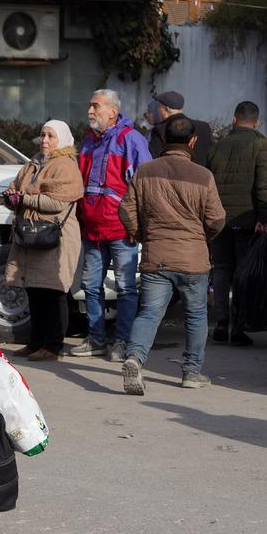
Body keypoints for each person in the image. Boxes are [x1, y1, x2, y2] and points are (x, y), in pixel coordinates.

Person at [119, 116, 226, 395]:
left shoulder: (145, 171)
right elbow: (216, 220)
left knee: (150, 312)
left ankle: (135, 357)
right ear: (193, 141)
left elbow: (125, 210)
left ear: (165, 139)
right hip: (193, 259)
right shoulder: (203, 176)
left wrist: (142, 234)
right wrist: (202, 238)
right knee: (196, 315)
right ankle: (191, 372)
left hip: (157, 255)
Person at [68, 88, 151, 362]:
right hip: (92, 229)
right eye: (90, 106)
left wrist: (137, 225)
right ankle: (96, 340)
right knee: (91, 286)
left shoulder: (131, 140)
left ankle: (123, 342)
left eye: (96, 106)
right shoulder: (89, 143)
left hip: (121, 230)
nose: (90, 111)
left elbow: (145, 184)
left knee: (126, 288)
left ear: (113, 112)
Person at [3, 120, 82, 360]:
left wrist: (24, 199)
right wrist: (11, 197)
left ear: (62, 140)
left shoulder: (66, 165)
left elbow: (58, 202)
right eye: (43, 135)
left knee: (53, 291)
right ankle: (36, 342)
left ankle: (53, 346)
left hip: (55, 236)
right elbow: (16, 188)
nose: (44, 140)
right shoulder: (33, 162)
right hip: (31, 234)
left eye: (50, 136)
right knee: (34, 289)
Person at [206, 100, 267, 346]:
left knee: (221, 269)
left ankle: (221, 322)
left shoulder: (217, 146)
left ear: (234, 120)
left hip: (219, 220)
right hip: (247, 219)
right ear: (257, 122)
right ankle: (239, 327)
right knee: (243, 273)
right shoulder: (262, 145)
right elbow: (264, 185)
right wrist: (265, 217)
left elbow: (207, 184)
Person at [148, 91, 213, 166]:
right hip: (201, 172)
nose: (158, 110)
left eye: (159, 107)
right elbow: (210, 155)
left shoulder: (160, 129)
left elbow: (154, 157)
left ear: (167, 109)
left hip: (171, 172)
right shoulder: (204, 127)